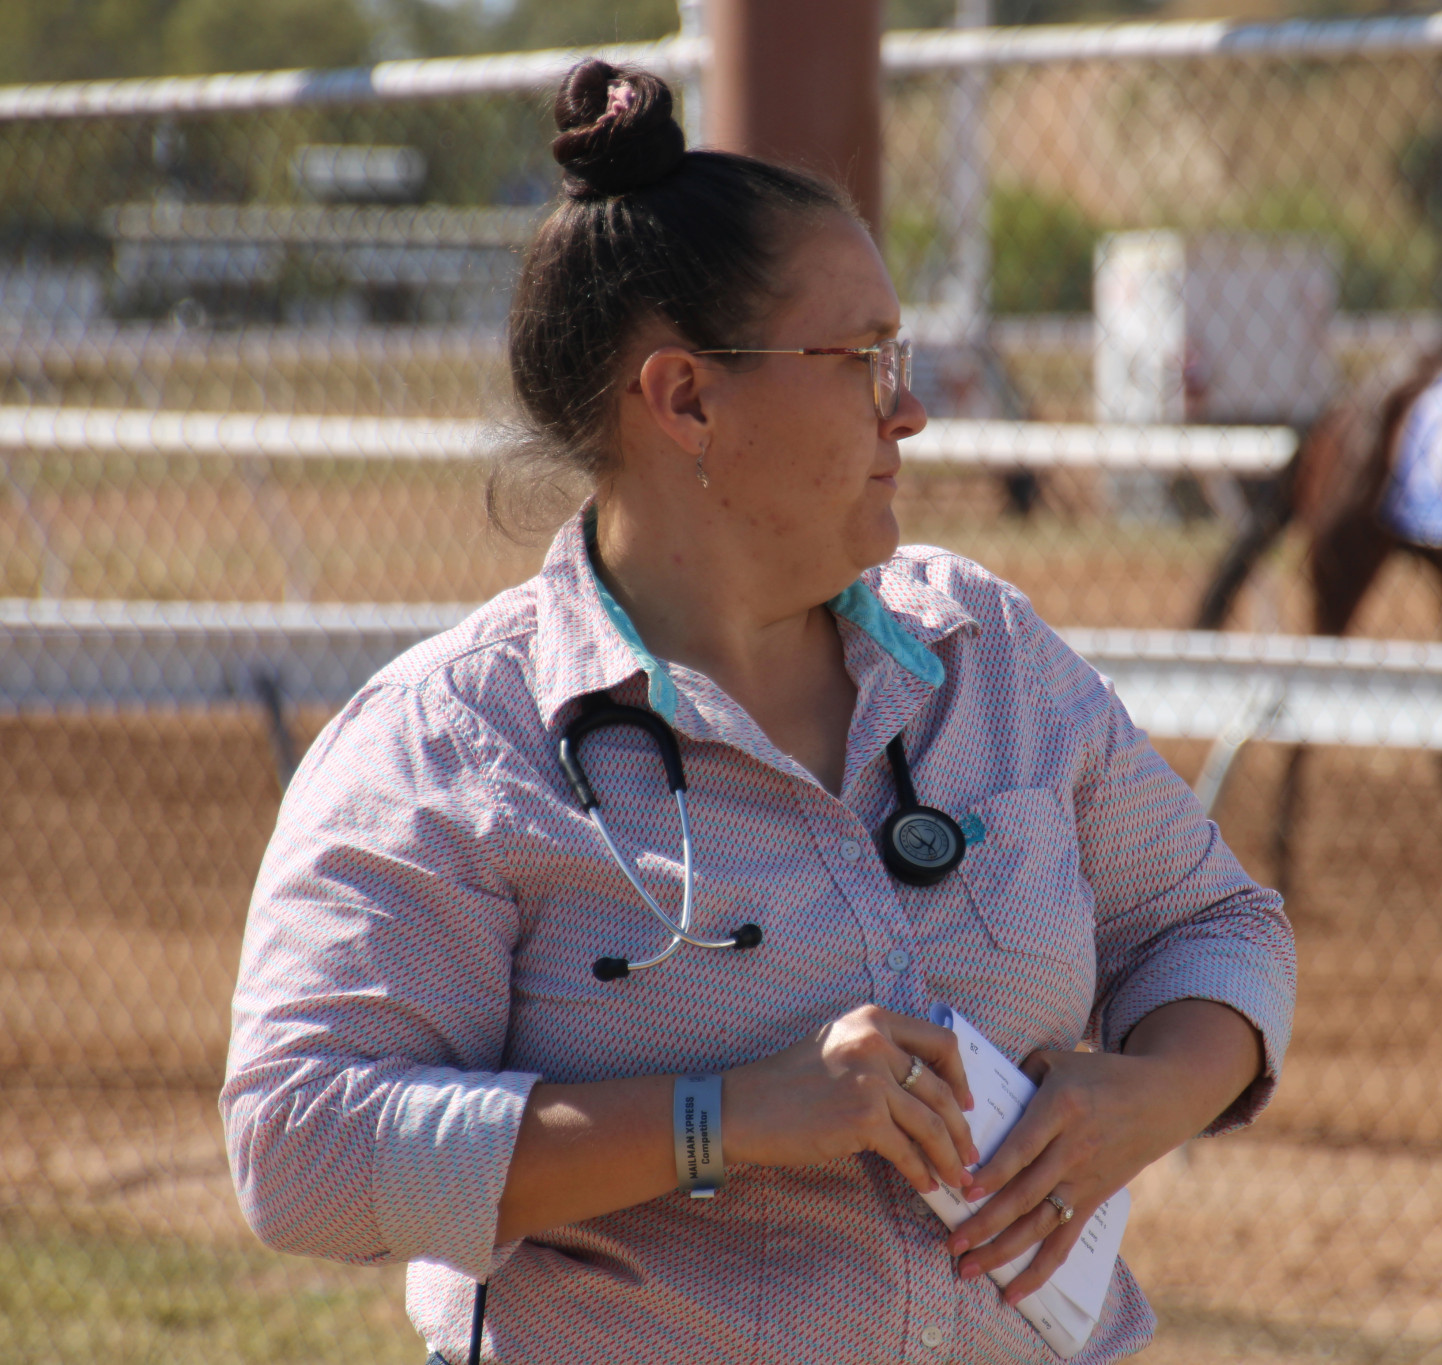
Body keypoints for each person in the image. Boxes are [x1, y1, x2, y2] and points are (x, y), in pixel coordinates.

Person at [220, 60, 1295, 1365]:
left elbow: (1218, 926)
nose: (913, 407)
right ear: (685, 399)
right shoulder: (456, 740)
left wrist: (1150, 1092)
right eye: (861, 360)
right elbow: (303, 1144)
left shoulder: (985, 652)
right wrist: (720, 1118)